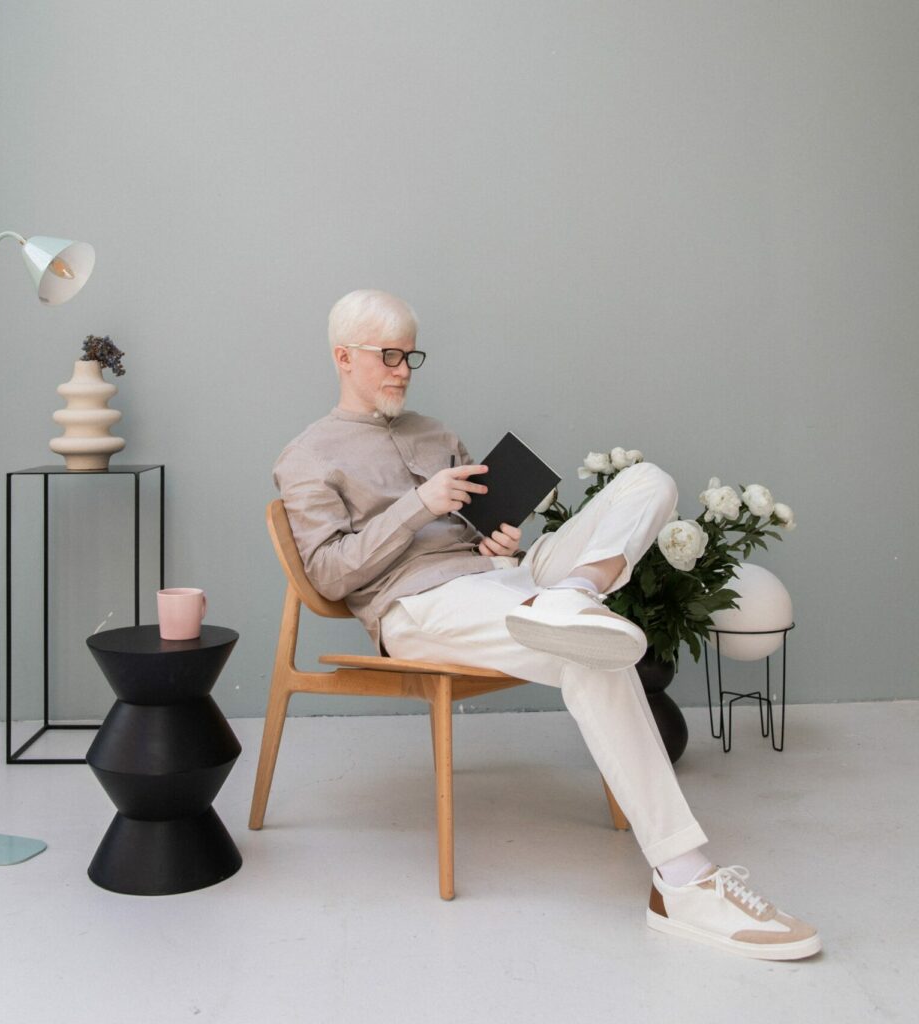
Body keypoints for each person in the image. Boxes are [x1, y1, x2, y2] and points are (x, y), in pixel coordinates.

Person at [273, 289, 820, 961]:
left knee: (649, 482)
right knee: (591, 652)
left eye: (409, 354)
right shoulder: (306, 456)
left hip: (504, 581)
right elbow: (328, 577)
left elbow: (477, 531)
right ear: (343, 357)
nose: (403, 369)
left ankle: (574, 594)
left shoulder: (435, 433)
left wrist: (495, 543)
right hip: (418, 608)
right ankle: (685, 878)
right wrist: (416, 506)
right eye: (388, 355)